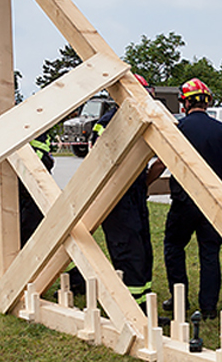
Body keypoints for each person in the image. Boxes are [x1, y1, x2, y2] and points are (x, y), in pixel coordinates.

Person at [154, 78, 222, 321]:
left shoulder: (178, 128)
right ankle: (209, 307)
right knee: (209, 252)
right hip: (211, 201)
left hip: (184, 202)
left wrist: (144, 183)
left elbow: (161, 162)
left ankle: (179, 300)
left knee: (174, 247)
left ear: (185, 102)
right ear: (208, 101)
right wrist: (220, 186)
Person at [80, 74, 159, 305]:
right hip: (116, 195)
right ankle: (133, 305)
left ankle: (144, 301)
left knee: (143, 247)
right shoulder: (108, 123)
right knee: (128, 248)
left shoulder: (142, 121)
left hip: (134, 191)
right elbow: (100, 160)